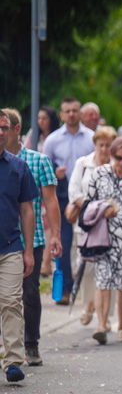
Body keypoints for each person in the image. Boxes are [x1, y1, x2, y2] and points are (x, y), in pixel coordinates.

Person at [4, 108, 61, 366]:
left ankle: (31, 345)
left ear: (16, 130)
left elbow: (50, 201)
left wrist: (55, 236)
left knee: (27, 293)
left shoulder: (36, 161)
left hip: (31, 238)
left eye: (5, 128)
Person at [85, 137, 122, 344]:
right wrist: (101, 209)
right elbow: (88, 202)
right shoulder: (100, 173)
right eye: (118, 158)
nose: (121, 163)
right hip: (104, 235)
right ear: (112, 155)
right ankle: (101, 325)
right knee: (103, 280)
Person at [43, 97, 94, 304]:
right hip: (62, 195)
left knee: (90, 242)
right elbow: (44, 172)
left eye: (75, 110)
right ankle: (65, 289)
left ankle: (89, 290)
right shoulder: (53, 140)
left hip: (87, 196)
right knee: (62, 241)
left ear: (80, 113)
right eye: (67, 111)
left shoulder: (91, 137)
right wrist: (56, 173)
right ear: (62, 114)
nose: (71, 114)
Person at [0, 109, 38, 382]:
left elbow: (27, 209)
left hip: (10, 246)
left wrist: (28, 251)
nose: (0, 132)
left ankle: (13, 360)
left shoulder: (17, 167)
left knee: (12, 301)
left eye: (4, 127)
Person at [68, 126, 117, 324]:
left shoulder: (116, 164)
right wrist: (93, 208)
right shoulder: (83, 164)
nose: (105, 149)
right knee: (86, 267)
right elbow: (74, 191)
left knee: (107, 269)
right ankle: (87, 305)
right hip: (87, 224)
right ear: (95, 144)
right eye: (101, 144)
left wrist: (104, 209)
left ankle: (103, 314)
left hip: (108, 224)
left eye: (108, 145)